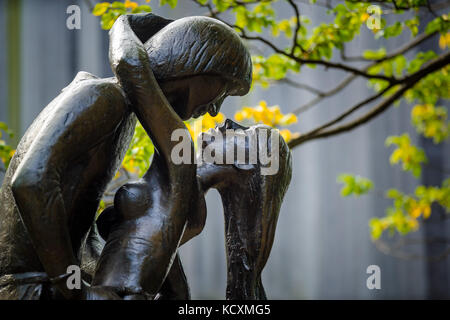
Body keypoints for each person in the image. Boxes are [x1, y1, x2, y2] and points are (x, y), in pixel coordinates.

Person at [0, 13, 251, 300]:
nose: (215, 110)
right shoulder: (104, 97)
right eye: (222, 89)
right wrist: (75, 290)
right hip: (30, 289)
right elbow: (31, 181)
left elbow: (79, 228)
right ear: (196, 66)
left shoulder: (123, 112)